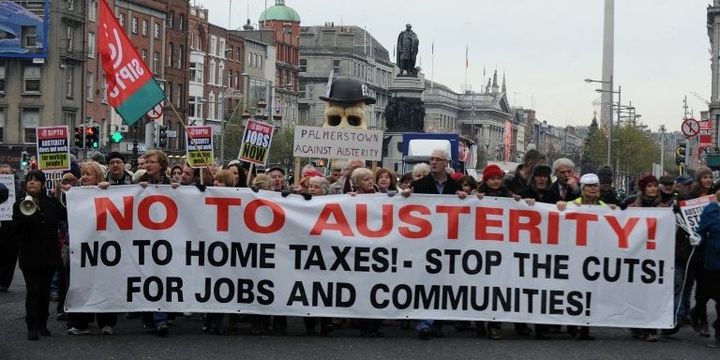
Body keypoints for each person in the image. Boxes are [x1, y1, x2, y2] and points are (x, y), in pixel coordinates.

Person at [405, 149, 467, 340]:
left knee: (442, 283)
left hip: (447, 242)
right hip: (424, 242)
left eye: (437, 159)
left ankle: (438, 322)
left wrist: (466, 198)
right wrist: (405, 197)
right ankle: (424, 323)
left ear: (446, 163)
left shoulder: (456, 186)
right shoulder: (419, 184)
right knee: (424, 283)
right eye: (431, 159)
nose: (433, 162)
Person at [12, 170, 67, 341]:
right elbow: (16, 230)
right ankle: (32, 326)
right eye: (30, 180)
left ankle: (43, 324)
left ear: (42, 184)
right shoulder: (19, 204)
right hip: (29, 255)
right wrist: (24, 215)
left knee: (44, 292)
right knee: (33, 290)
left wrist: (64, 194)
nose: (32, 183)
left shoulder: (51, 203)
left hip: (49, 255)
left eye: (36, 180)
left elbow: (66, 215)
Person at [68, 162, 118, 336]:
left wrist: (105, 189)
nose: (84, 177)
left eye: (88, 174)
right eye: (83, 174)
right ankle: (81, 322)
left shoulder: (106, 191)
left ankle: (107, 322)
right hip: (83, 247)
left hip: (104, 246)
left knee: (105, 283)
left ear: (98, 177)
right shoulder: (75, 194)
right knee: (82, 283)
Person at [626, 174, 666, 342]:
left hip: (656, 256)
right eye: (649, 186)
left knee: (654, 293)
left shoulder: (665, 208)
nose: (653, 189)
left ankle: (651, 328)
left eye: (655, 186)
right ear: (643, 189)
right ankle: (636, 325)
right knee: (637, 293)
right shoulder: (632, 207)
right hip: (637, 255)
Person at [694, 190, 720, 342]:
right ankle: (699, 315)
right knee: (707, 295)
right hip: (714, 262)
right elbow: (700, 232)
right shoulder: (710, 210)